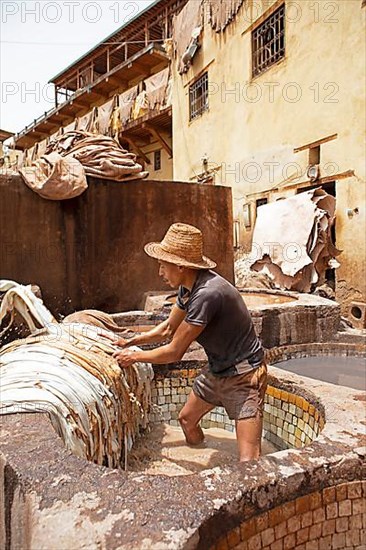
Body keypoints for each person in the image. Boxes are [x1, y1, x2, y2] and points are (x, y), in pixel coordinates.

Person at [113, 223, 267, 462]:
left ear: (181, 266)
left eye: (163, 266)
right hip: (218, 370)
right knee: (186, 420)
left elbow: (174, 351)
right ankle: (198, 456)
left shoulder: (207, 294)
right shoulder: (188, 288)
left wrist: (134, 357)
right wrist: (133, 340)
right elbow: (167, 329)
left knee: (249, 460)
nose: (160, 273)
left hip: (244, 377)